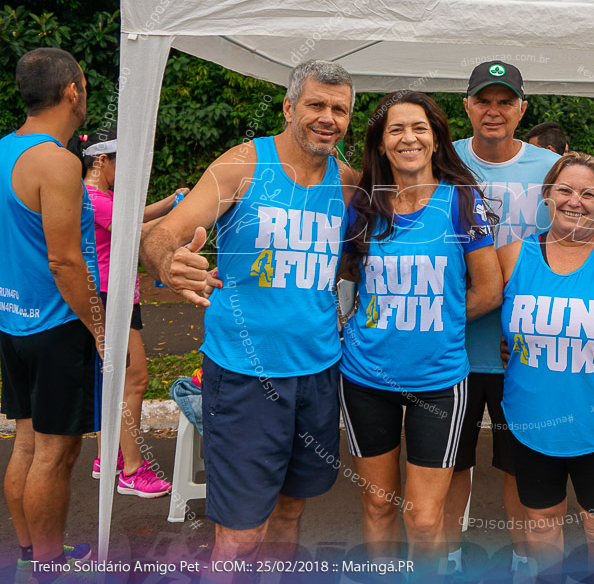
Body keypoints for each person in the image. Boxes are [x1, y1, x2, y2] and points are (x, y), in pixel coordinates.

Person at [140, 60, 358, 565]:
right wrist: (169, 261)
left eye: (339, 109)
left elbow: (355, 262)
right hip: (243, 373)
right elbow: (163, 232)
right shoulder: (243, 165)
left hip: (319, 372)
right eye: (316, 105)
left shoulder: (348, 182)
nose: (329, 118)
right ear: (288, 107)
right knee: (240, 535)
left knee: (289, 514)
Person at [338, 90, 501, 571]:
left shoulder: (461, 202)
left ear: (435, 140)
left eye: (419, 128)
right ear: (381, 144)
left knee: (426, 520)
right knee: (378, 505)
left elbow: (489, 290)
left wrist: (435, 319)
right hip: (365, 380)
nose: (408, 138)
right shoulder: (364, 205)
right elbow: (347, 276)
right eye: (396, 130)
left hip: (439, 382)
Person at [498, 152, 594, 576]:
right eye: (565, 190)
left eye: (589, 194)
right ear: (546, 195)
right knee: (540, 525)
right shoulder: (511, 255)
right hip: (529, 421)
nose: (575, 201)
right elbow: (466, 303)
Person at [446, 60, 559, 575]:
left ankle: (522, 565)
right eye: (484, 100)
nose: (494, 111)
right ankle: (445, 561)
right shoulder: (439, 161)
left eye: (505, 101)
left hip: (523, 351)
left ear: (522, 108)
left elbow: (588, 225)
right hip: (454, 347)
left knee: (521, 469)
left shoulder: (548, 168)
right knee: (450, 465)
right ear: (467, 105)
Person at [1, 48, 103, 579]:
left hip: (13, 322)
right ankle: (48, 567)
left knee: (25, 443)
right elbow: (65, 261)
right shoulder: (57, 161)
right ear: (71, 90)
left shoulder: (3, 150)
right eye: (84, 85)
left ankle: (28, 554)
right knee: (54, 457)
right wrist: (101, 329)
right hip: (55, 323)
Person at [76, 132, 187, 498]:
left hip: (108, 295)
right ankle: (133, 471)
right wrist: (179, 220)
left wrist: (171, 203)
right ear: (101, 162)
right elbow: (132, 232)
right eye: (118, 163)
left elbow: (133, 218)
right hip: (113, 297)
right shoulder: (94, 198)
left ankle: (107, 458)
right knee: (135, 380)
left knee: (115, 383)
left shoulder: (94, 196)